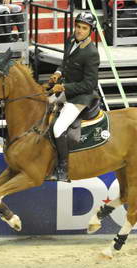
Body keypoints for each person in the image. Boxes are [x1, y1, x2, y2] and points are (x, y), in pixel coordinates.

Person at [47, 12, 100, 182]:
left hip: (81, 97)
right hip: (67, 91)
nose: (79, 30)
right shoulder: (70, 40)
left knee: (58, 127)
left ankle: (63, 169)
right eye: (78, 26)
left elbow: (89, 84)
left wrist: (63, 86)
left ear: (90, 31)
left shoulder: (91, 52)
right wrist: (58, 73)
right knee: (43, 106)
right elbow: (65, 63)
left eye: (84, 28)